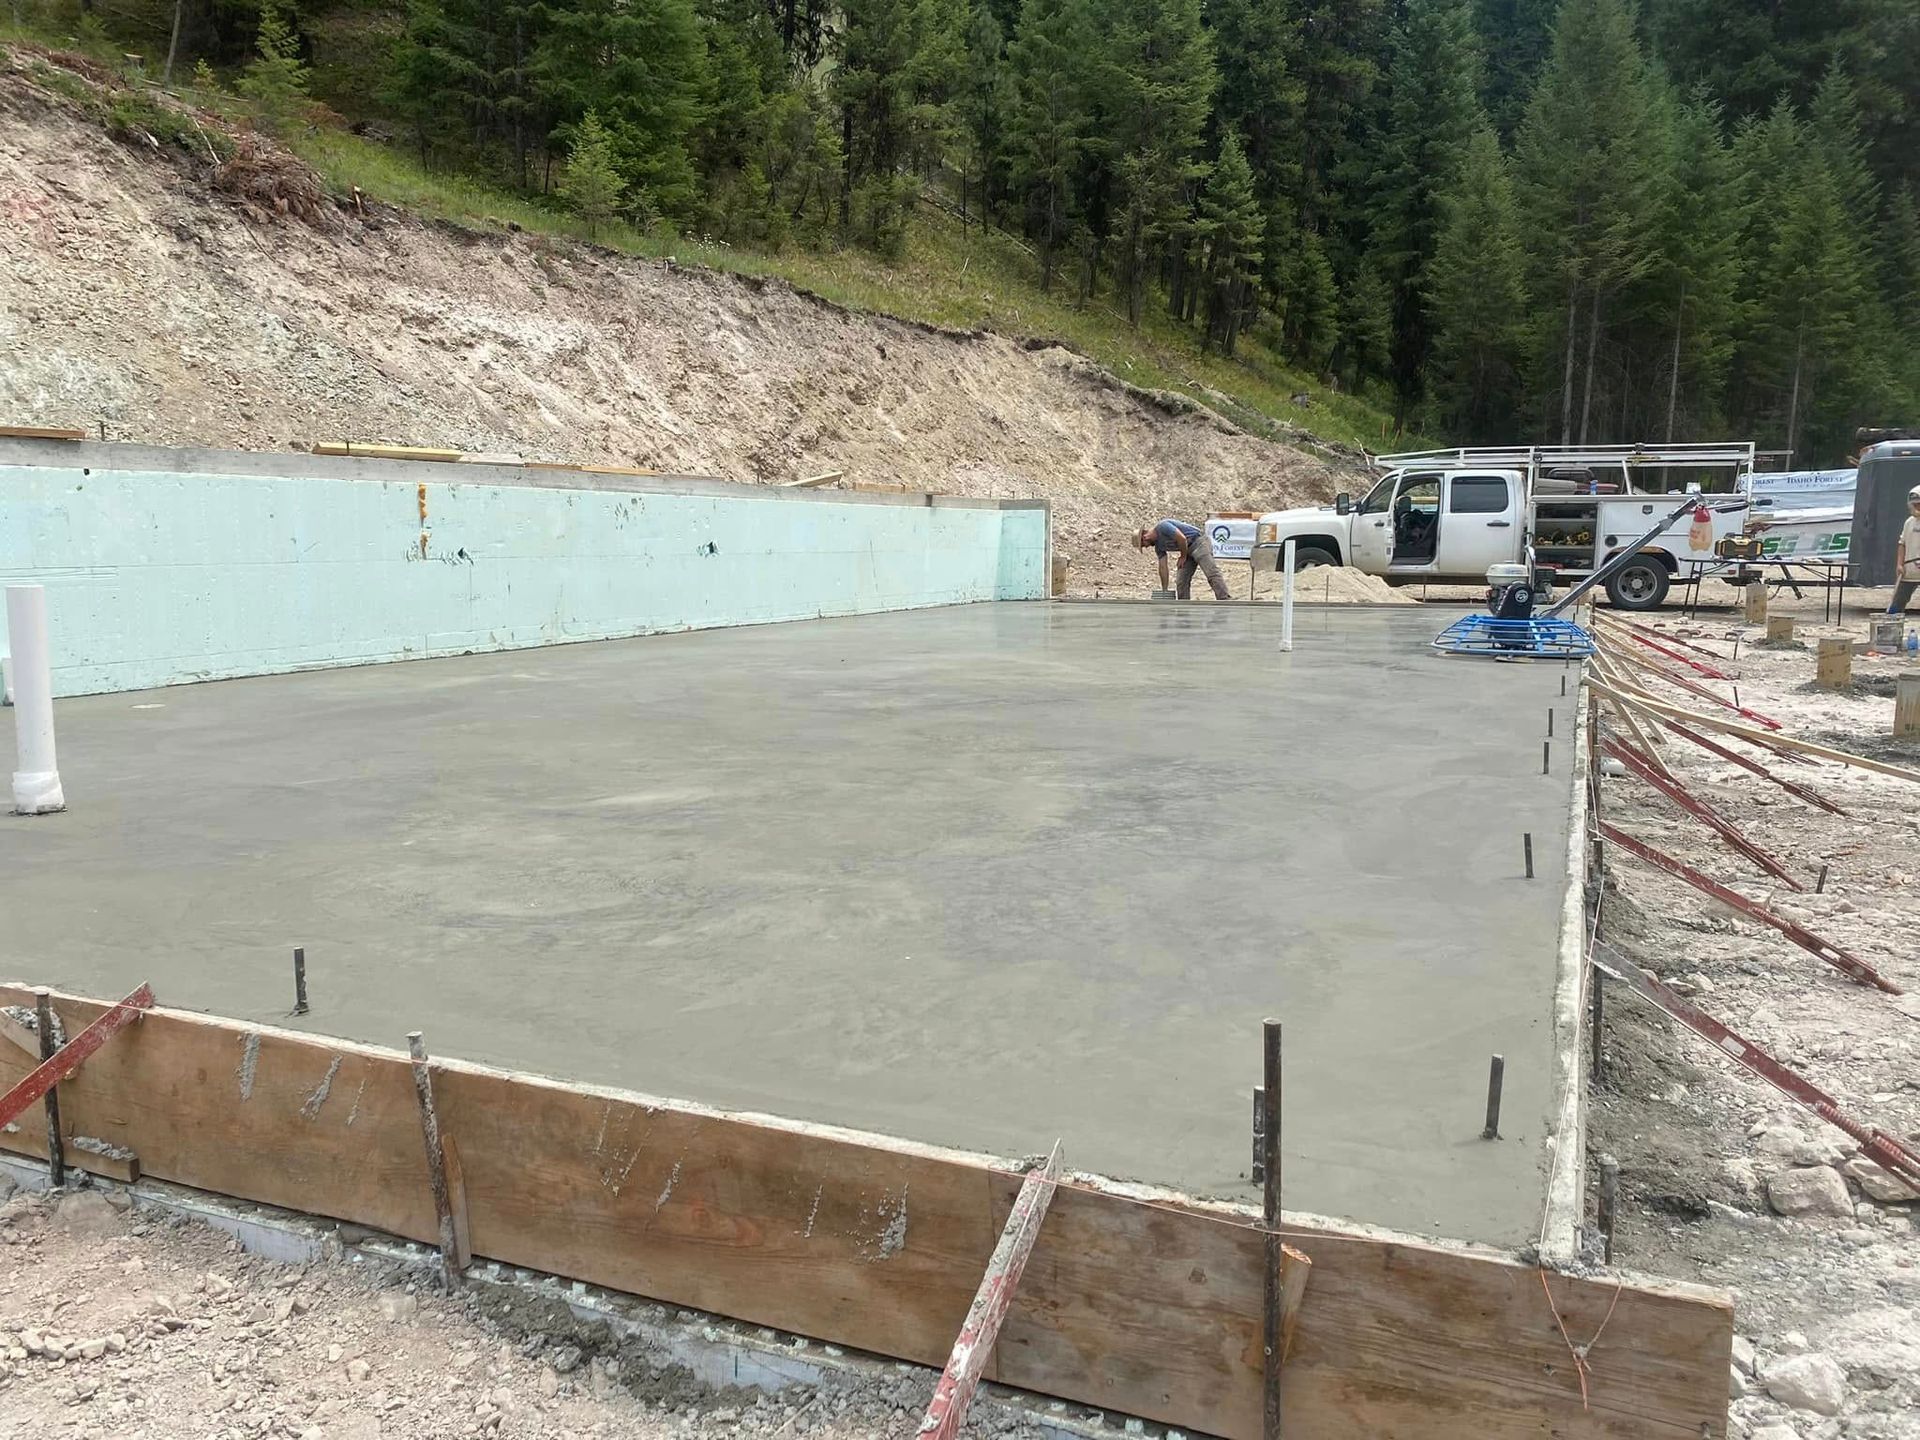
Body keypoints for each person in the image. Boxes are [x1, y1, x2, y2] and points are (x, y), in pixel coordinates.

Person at [1138, 518, 1232, 600]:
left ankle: (1224, 599)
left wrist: (1183, 556)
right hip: (1186, 550)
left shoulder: (1163, 526)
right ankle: (1184, 605)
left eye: (1143, 545)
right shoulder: (1158, 546)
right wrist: (1164, 590)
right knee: (1181, 581)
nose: (1146, 547)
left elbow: (1182, 538)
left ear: (1144, 537)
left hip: (1198, 542)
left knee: (1211, 572)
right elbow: (1163, 567)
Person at [1888, 485, 1920, 615]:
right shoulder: (1909, 522)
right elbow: (1902, 544)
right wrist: (1899, 564)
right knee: (1897, 602)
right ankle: (1892, 622)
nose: (1917, 507)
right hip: (1909, 570)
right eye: (1915, 505)